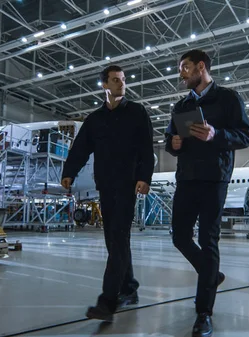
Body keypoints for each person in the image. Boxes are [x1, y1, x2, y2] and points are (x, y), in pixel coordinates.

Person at [165, 49, 249, 337]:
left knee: (208, 239)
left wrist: (217, 135)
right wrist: (174, 143)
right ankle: (211, 275)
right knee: (179, 235)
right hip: (187, 178)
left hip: (215, 178)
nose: (181, 73)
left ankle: (204, 313)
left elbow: (245, 135)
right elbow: (169, 140)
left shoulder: (228, 98)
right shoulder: (181, 106)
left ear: (200, 67)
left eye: (185, 68)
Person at [61, 64, 154, 322]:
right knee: (114, 241)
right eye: (115, 80)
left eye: (123, 79)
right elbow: (80, 149)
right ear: (104, 85)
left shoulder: (136, 112)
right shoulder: (95, 120)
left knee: (119, 239)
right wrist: (69, 172)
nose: (121, 84)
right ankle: (129, 288)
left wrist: (145, 177)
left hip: (127, 185)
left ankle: (107, 300)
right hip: (105, 184)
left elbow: (147, 148)